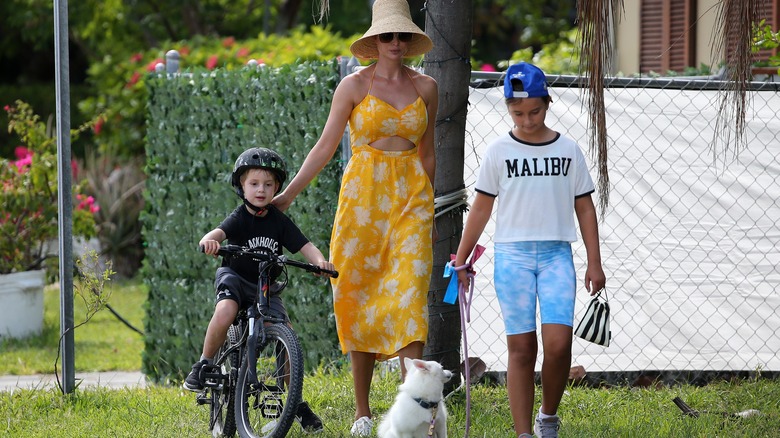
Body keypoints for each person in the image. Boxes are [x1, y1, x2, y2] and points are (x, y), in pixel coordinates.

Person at [272, 0, 438, 435]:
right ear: (374, 41)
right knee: (358, 296)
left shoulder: (427, 87)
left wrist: (430, 206)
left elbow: (428, 151)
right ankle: (362, 412)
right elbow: (326, 147)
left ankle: (413, 414)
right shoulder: (352, 86)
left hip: (411, 201)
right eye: (388, 36)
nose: (396, 43)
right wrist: (288, 195)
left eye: (402, 36)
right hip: (362, 200)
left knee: (409, 300)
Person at [454, 62, 606, 438]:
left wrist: (595, 262)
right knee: (521, 348)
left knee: (558, 345)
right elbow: (482, 208)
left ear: (547, 104)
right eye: (517, 112)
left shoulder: (568, 150)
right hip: (513, 258)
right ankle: (524, 433)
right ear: (508, 108)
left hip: (556, 256)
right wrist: (461, 256)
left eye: (534, 111)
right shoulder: (498, 151)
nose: (526, 119)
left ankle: (548, 418)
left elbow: (584, 206)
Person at [183, 147, 335, 434]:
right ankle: (203, 364)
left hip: (265, 286)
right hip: (235, 278)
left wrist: (320, 262)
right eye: (254, 184)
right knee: (226, 310)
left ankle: (295, 403)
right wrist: (210, 241)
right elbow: (216, 233)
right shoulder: (240, 217)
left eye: (268, 185)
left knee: (286, 335)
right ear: (241, 186)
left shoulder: (279, 220)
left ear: (277, 187)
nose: (261, 190)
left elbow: (304, 246)